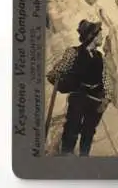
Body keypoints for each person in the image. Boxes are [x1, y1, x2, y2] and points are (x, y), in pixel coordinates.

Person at [47, 19, 114, 157]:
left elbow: (106, 78)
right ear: (92, 37)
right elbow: (57, 71)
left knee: (88, 131)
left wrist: (106, 99)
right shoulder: (74, 52)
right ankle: (67, 155)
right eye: (99, 35)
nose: (101, 37)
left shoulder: (100, 57)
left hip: (95, 99)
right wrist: (57, 77)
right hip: (79, 96)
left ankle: (84, 157)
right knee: (72, 127)